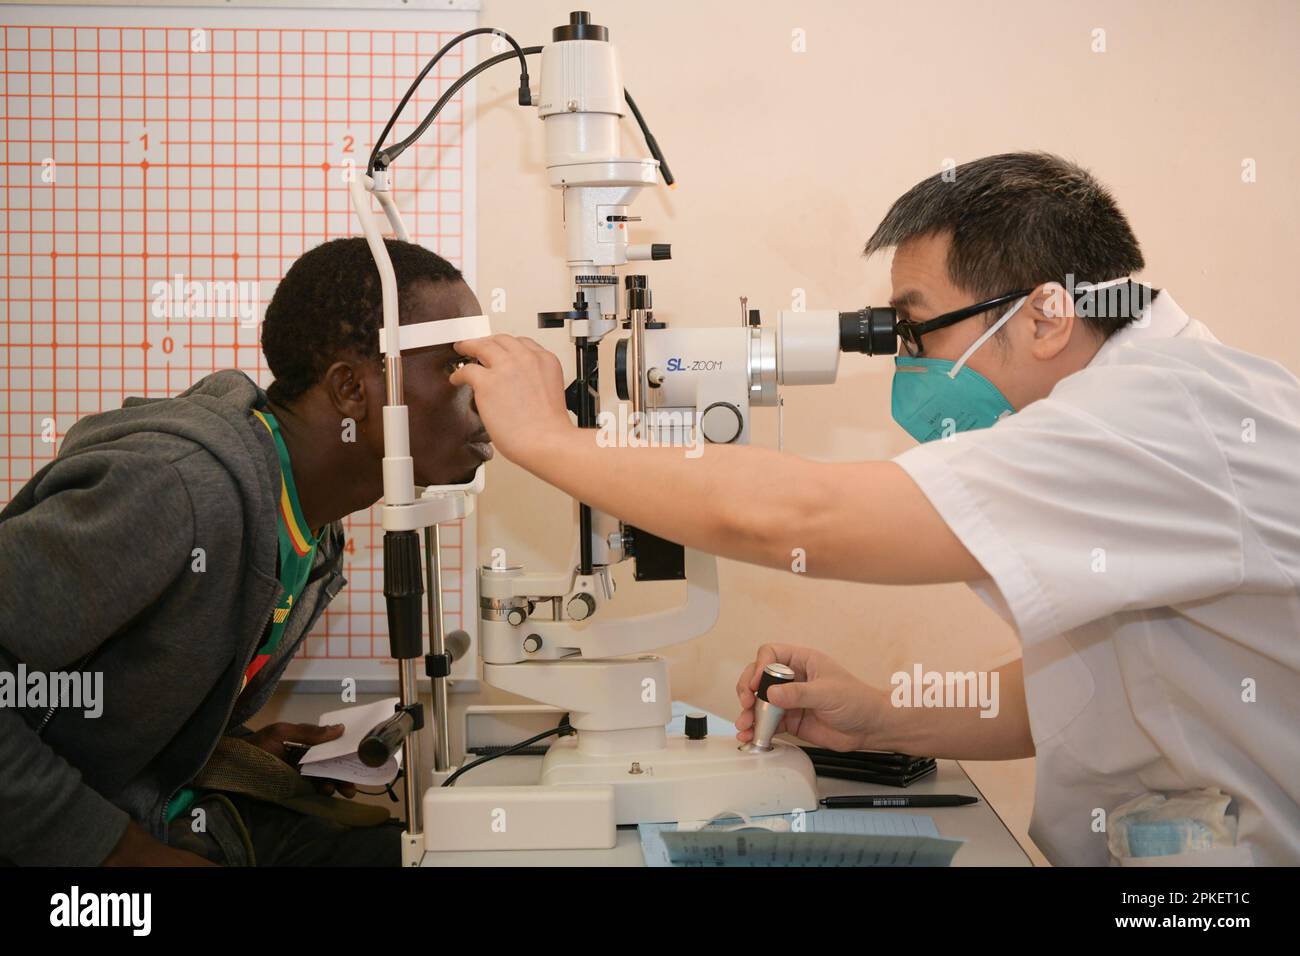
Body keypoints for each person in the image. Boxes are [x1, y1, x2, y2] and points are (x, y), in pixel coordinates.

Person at [449, 152, 1300, 866]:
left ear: (1047, 315)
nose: (911, 364)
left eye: (918, 330)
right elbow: (1114, 691)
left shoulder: (1152, 422)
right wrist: (882, 713)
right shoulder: (1156, 401)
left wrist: (550, 443)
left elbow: (801, 519)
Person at [0, 237, 491, 866]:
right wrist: (119, 855)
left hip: (169, 804)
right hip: (69, 851)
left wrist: (223, 745)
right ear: (352, 390)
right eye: (455, 366)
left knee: (448, 853)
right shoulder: (175, 490)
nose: (481, 390)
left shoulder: (311, 522)